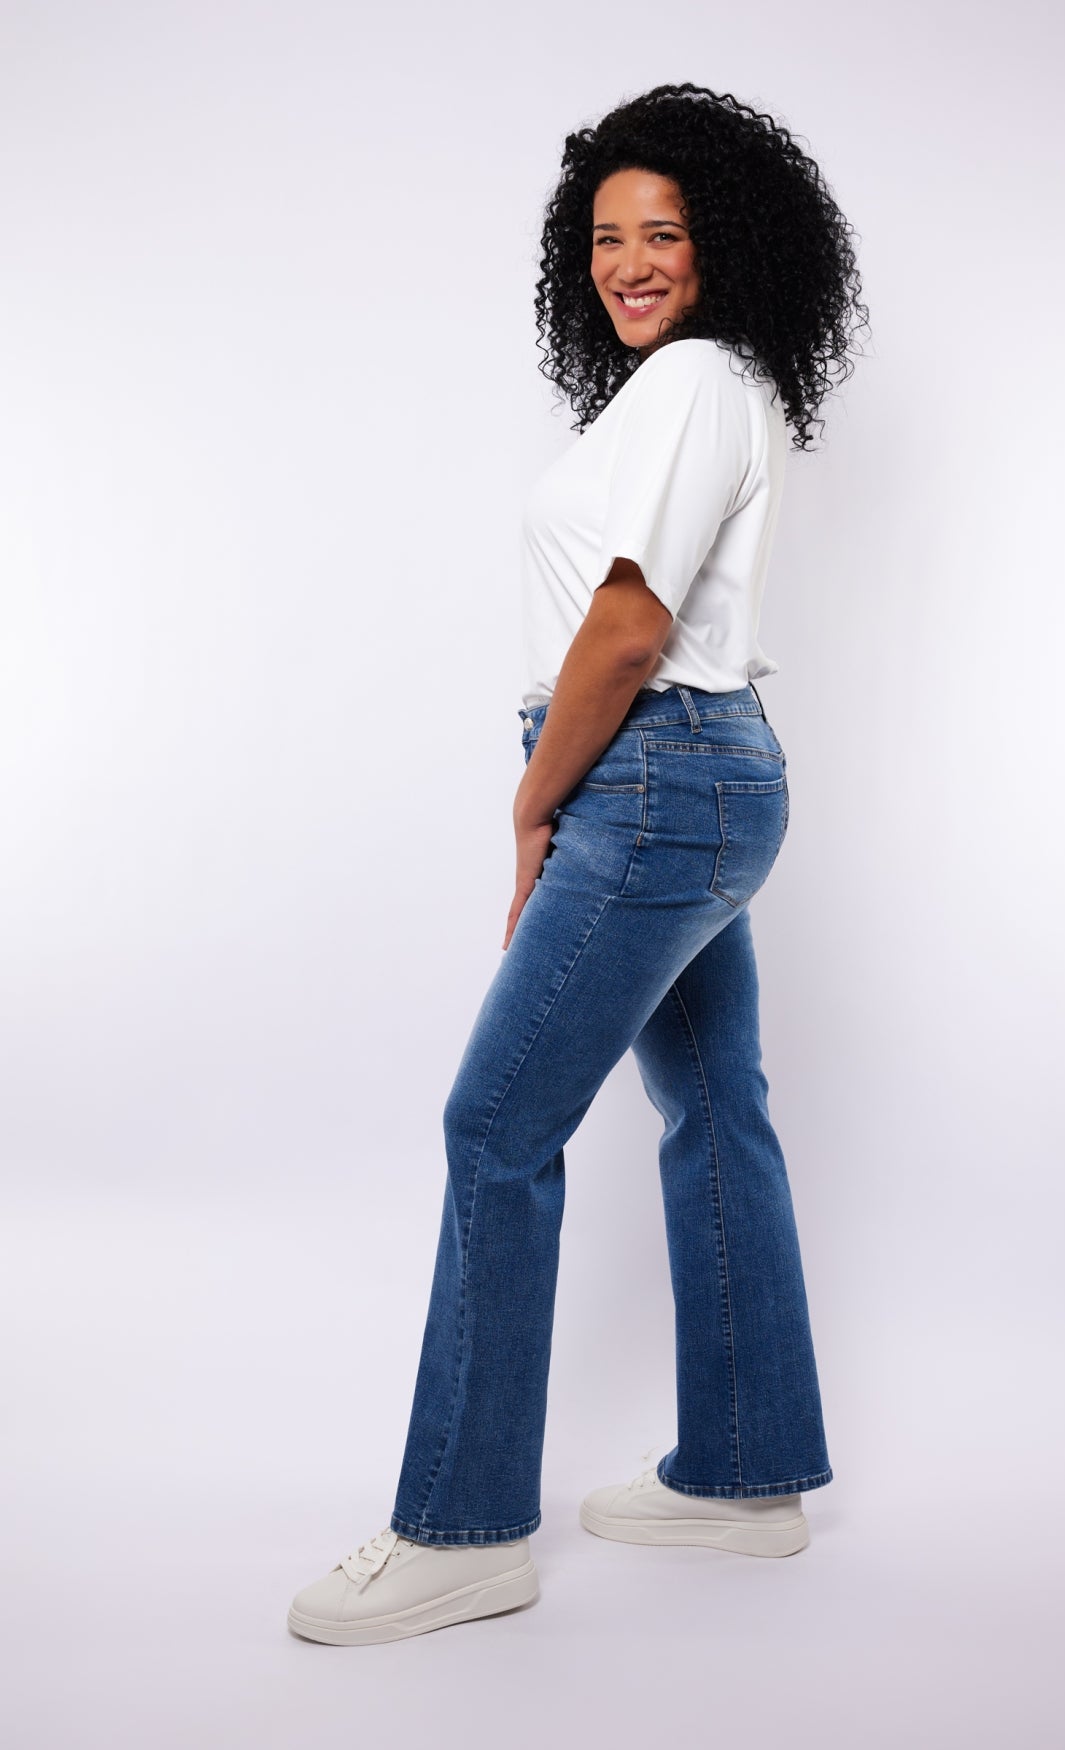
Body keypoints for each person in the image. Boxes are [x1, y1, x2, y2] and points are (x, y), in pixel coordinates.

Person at [287, 81, 868, 1646]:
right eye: (606, 238)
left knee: (495, 1124)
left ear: (722, 242)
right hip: (703, 775)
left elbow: (627, 625)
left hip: (649, 774)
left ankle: (462, 1527)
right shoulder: (699, 389)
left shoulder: (696, 381)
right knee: (715, 1109)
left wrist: (535, 801)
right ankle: (743, 1475)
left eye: (663, 232)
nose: (631, 262)